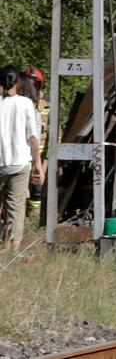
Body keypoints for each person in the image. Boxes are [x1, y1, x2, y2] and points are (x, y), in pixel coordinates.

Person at [0, 66, 44, 249]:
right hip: (19, 164)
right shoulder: (26, 103)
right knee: (16, 208)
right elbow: (32, 138)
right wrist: (38, 165)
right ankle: (12, 249)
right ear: (18, 82)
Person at [18, 68, 48, 218]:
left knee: (37, 190)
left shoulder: (46, 104)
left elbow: (53, 131)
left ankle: (33, 219)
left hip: (40, 156)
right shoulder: (15, 102)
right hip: (20, 155)